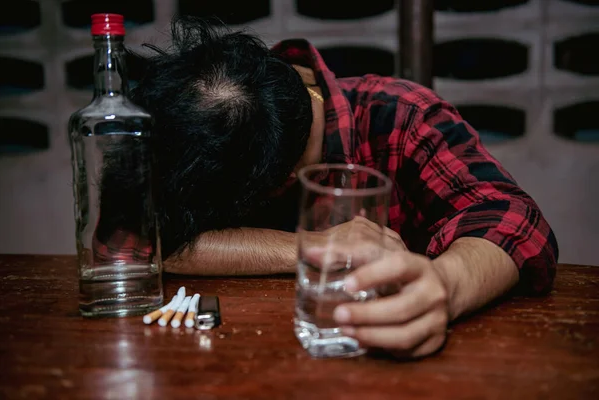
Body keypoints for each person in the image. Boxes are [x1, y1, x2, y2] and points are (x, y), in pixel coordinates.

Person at [100, 15, 558, 358]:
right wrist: (311, 247)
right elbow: (126, 240)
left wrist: (446, 284)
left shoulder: (401, 115)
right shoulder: (201, 129)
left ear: (273, 187)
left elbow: (514, 219)